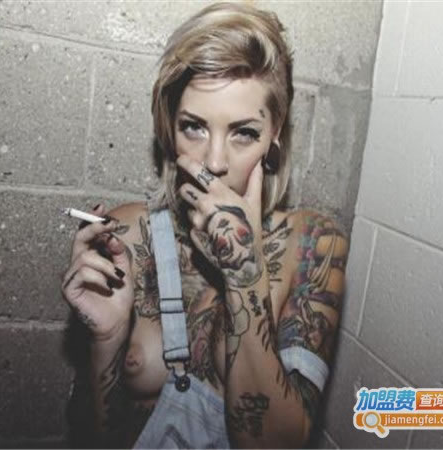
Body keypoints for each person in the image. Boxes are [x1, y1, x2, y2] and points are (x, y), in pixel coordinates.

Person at [61, 2, 349, 448]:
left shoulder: (310, 244)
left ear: (274, 134)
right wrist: (108, 340)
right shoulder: (128, 234)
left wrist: (246, 277)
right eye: (194, 127)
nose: (214, 162)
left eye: (243, 132)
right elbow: (88, 439)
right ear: (168, 127)